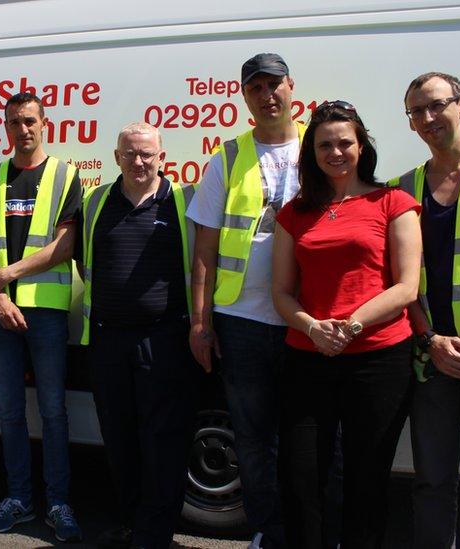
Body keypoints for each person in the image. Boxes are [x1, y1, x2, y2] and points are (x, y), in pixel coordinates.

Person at [271, 101, 421, 547]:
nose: (335, 152)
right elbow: (281, 291)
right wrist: (314, 328)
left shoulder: (392, 201)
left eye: (344, 142)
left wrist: (349, 326)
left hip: (379, 360)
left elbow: (407, 286)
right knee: (300, 480)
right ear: (311, 152)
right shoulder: (294, 213)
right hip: (308, 357)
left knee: (366, 479)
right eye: (324, 145)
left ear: (361, 146)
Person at [186, 52, 302, 548]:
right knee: (253, 441)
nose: (267, 94)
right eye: (256, 87)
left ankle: (310, 530)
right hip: (241, 322)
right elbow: (204, 249)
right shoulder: (229, 157)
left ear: (291, 88)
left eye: (274, 84)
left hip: (305, 319)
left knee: (306, 439)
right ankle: (267, 533)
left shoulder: (321, 149)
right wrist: (200, 323)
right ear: (245, 97)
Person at [76, 122, 201, 549]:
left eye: (147, 153)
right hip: (108, 342)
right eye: (130, 153)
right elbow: (83, 261)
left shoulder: (184, 202)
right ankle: (132, 523)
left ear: (162, 156)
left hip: (163, 340)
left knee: (163, 443)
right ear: (116, 158)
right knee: (119, 440)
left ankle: (154, 535)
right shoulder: (96, 202)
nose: (139, 161)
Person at [393, 72, 460, 548]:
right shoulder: (405, 187)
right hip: (431, 359)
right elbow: (402, 282)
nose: (427, 118)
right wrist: (431, 340)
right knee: (431, 484)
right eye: (416, 111)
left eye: (436, 105)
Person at [0, 92, 83, 542]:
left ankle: (58, 503)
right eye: (15, 122)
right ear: (5, 126)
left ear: (45, 122)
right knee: (9, 410)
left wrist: (7, 277)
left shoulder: (65, 175)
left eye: (30, 120)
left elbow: (66, 244)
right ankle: (19, 498)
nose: (23, 129)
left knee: (54, 410)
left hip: (47, 312)